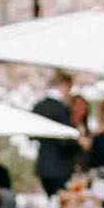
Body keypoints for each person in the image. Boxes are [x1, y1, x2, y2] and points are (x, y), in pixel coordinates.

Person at [33, 72, 84, 200]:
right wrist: (79, 144)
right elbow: (65, 141)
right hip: (61, 167)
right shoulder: (62, 110)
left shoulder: (39, 106)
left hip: (43, 165)